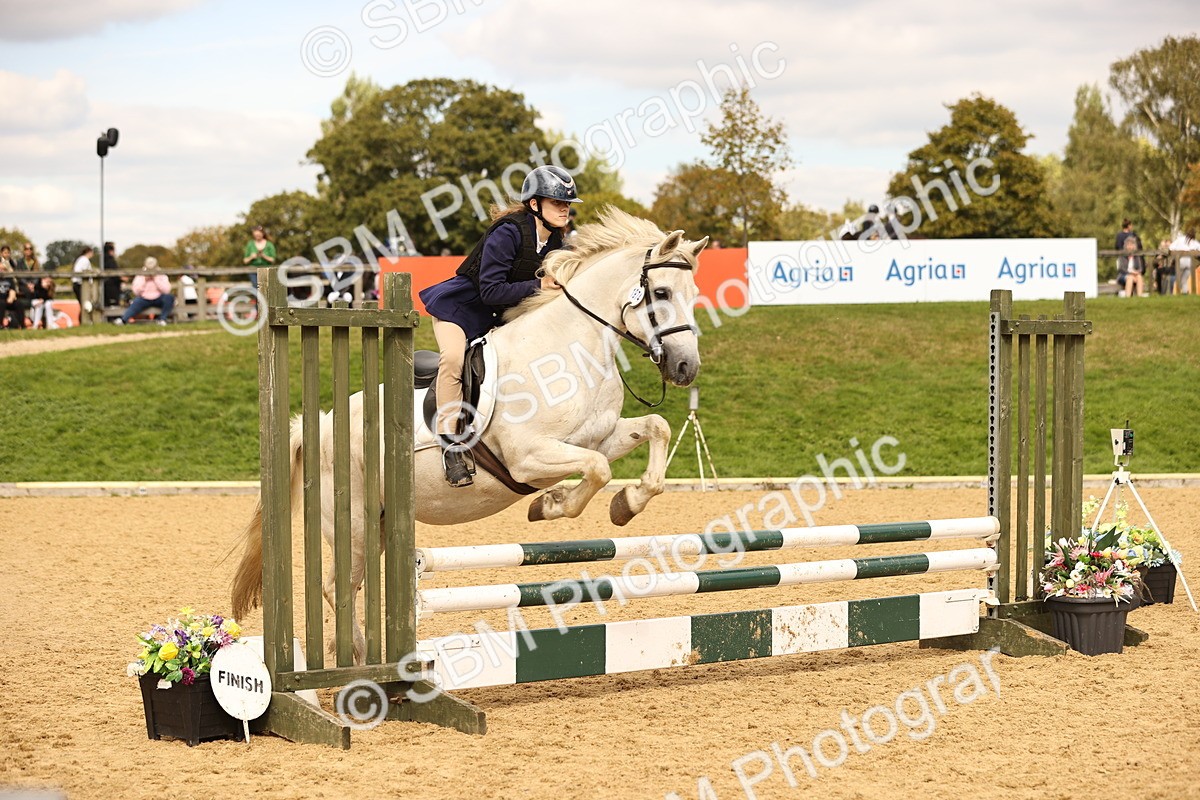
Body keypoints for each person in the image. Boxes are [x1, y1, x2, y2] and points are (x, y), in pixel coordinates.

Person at [417, 164, 580, 487]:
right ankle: (450, 446)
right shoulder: (507, 232)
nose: (565, 209)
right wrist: (540, 287)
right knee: (453, 359)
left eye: (567, 204)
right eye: (557, 202)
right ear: (535, 204)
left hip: (500, 318)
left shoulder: (555, 244)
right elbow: (490, 291)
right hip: (461, 310)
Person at [116, 257, 175, 325]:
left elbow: (167, 290)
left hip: (159, 298)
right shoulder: (140, 275)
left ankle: (162, 319)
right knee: (135, 302)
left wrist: (155, 279)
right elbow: (136, 291)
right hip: (144, 298)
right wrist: (145, 280)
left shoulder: (161, 274)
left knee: (169, 298)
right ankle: (123, 320)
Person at [1169, 228, 1198, 295]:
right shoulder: (1195, 242)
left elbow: (1171, 247)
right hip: (1190, 263)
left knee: (1178, 278)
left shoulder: (1180, 239)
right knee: (1184, 280)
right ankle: (1185, 293)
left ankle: (1177, 293)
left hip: (1181, 261)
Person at [0, 258, 24, 330]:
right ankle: (0, 324)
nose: (2, 271)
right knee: (1, 303)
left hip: (8, 299)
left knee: (19, 303)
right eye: (0, 269)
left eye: (3, 269)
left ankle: (21, 325)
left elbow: (12, 289)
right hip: (1, 300)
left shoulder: (9, 278)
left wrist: (11, 297)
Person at [102, 241, 123, 308]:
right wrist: (121, 279)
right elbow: (115, 274)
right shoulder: (110, 261)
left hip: (106, 286)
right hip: (112, 287)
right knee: (113, 305)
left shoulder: (103, 260)